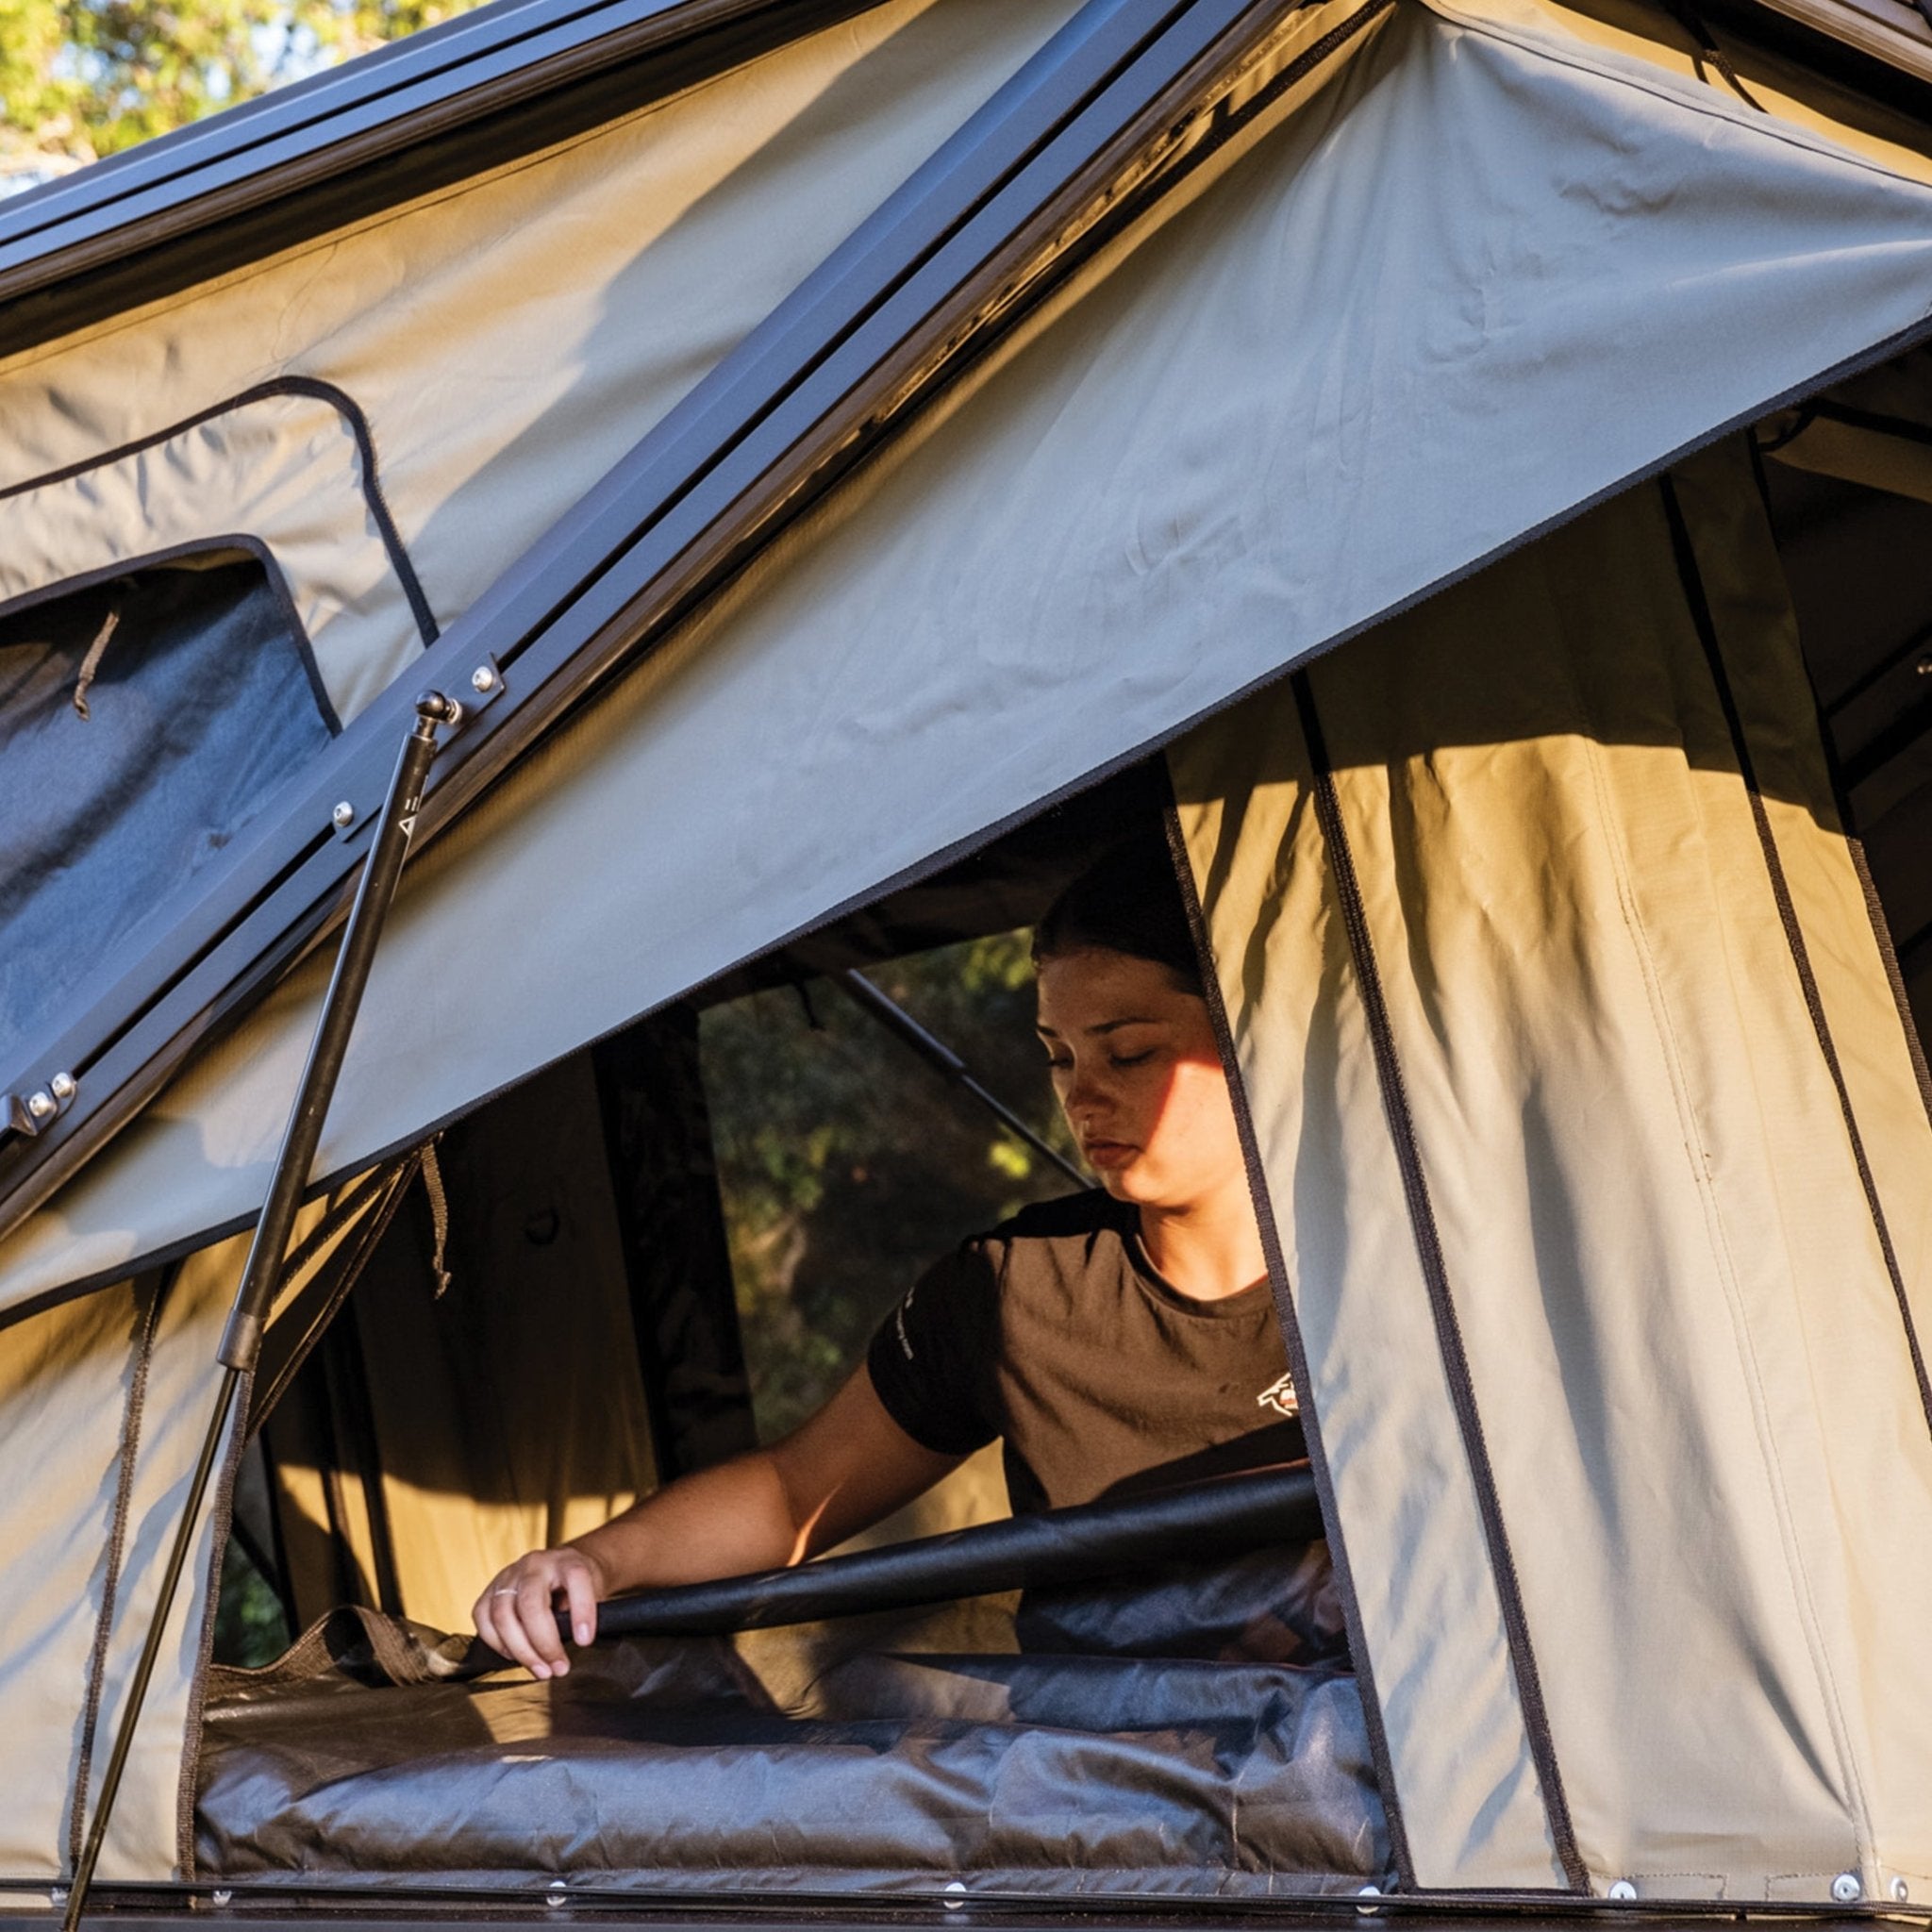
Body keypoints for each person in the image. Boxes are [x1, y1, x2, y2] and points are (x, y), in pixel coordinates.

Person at [473, 833, 1303, 1681]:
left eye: (1128, 1052)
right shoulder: (1016, 1289)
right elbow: (795, 1492)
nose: (1082, 1095)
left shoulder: (1394, 1264)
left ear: (1248, 1033)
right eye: (1059, 1057)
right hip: (1102, 1782)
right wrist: (594, 1563)